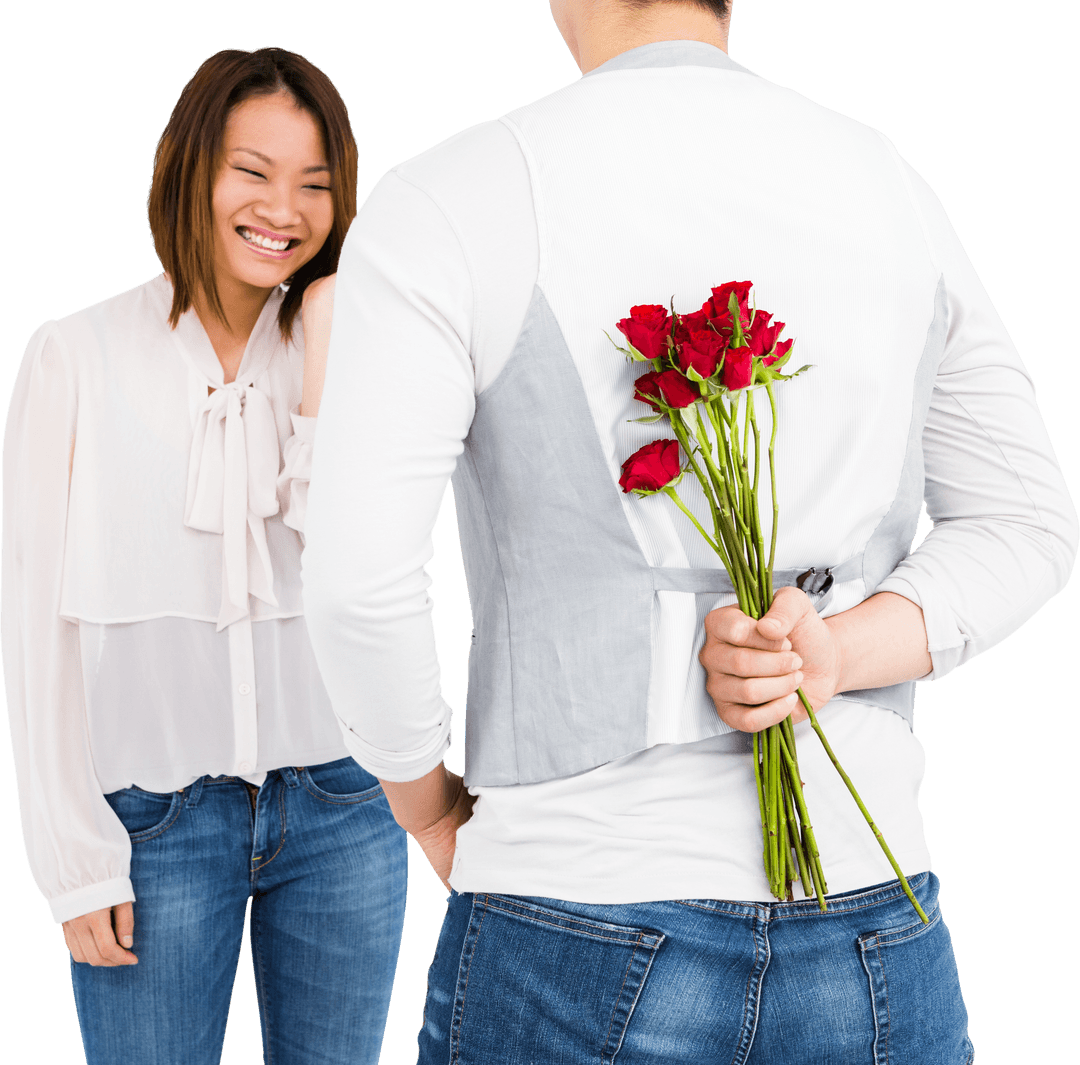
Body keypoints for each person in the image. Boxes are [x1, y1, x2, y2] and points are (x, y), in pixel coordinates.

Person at [300, 2, 1078, 1062]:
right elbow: (1028, 520)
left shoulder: (458, 191)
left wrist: (425, 807)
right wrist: (834, 653)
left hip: (573, 904)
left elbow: (358, 583)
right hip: (875, 916)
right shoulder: (885, 180)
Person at [1, 47, 407, 1065]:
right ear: (192, 169)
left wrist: (323, 356)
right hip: (151, 826)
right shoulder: (74, 356)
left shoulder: (348, 346)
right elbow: (32, 627)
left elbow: (360, 567)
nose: (285, 208)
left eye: (316, 185)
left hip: (345, 806)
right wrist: (73, 863)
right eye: (254, 172)